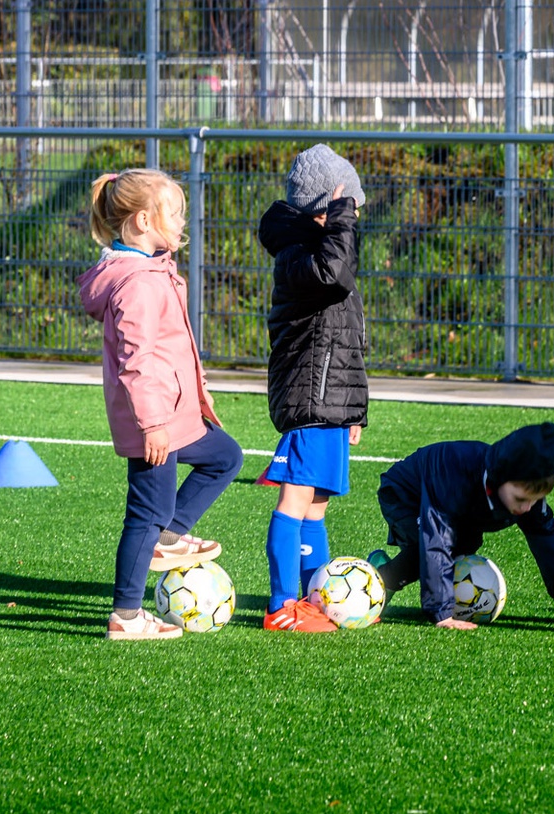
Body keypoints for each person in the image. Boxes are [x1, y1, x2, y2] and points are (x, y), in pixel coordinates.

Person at [79, 168, 243, 641]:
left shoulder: (153, 270)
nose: (182, 222)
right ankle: (127, 616)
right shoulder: (137, 283)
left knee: (225, 456)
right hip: (153, 421)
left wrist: (197, 390)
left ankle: (168, 535)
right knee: (145, 515)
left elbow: (173, 345)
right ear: (144, 221)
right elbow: (137, 362)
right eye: (174, 213)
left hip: (175, 412)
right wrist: (152, 424)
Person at [257, 144, 369, 633]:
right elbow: (333, 274)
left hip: (330, 402)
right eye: (349, 210)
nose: (354, 220)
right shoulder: (298, 256)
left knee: (316, 507)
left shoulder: (324, 250)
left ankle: (312, 599)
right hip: (309, 399)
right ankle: (282, 606)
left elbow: (346, 341)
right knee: (295, 503)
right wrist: (342, 218)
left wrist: (354, 410)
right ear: (325, 210)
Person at [369, 422, 554, 629]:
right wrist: (442, 614)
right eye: (520, 499)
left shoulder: (526, 492)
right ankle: (382, 579)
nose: (527, 508)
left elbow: (545, 538)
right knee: (440, 544)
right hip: (405, 495)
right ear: (498, 480)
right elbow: (436, 541)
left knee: (466, 542)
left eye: (535, 500)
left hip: (453, 505)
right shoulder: (456, 479)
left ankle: (392, 572)